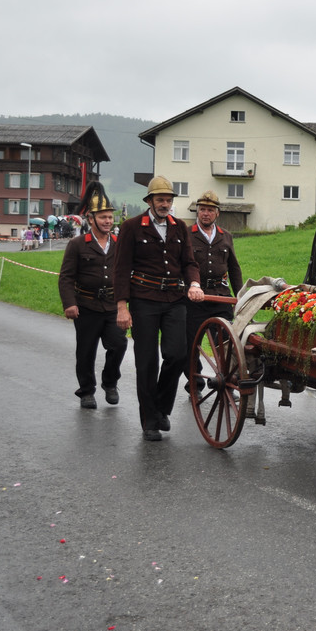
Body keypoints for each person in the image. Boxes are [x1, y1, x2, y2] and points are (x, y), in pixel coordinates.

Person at [114, 175, 204, 441]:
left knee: (177, 354)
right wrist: (122, 307)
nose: (165, 204)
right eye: (160, 200)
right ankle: (150, 421)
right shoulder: (132, 227)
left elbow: (189, 262)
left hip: (175, 299)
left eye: (168, 200)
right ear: (150, 201)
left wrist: (194, 283)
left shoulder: (180, 227)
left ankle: (162, 408)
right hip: (143, 300)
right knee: (147, 362)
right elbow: (121, 269)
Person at [58, 182, 128, 409]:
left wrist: (127, 305)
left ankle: (110, 382)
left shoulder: (119, 244)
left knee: (119, 345)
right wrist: (69, 304)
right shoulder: (77, 244)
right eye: (103, 217)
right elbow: (66, 277)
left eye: (110, 217)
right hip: (86, 306)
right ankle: (86, 391)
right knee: (86, 352)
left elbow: (127, 274)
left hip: (112, 306)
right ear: (91, 219)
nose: (108, 221)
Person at [184, 190, 244, 393]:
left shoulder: (225, 236)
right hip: (194, 298)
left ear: (217, 213)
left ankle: (228, 380)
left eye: (210, 210)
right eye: (202, 209)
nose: (206, 213)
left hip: (220, 296)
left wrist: (240, 296)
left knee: (226, 341)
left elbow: (234, 268)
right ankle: (195, 381)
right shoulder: (187, 234)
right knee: (191, 343)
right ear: (197, 211)